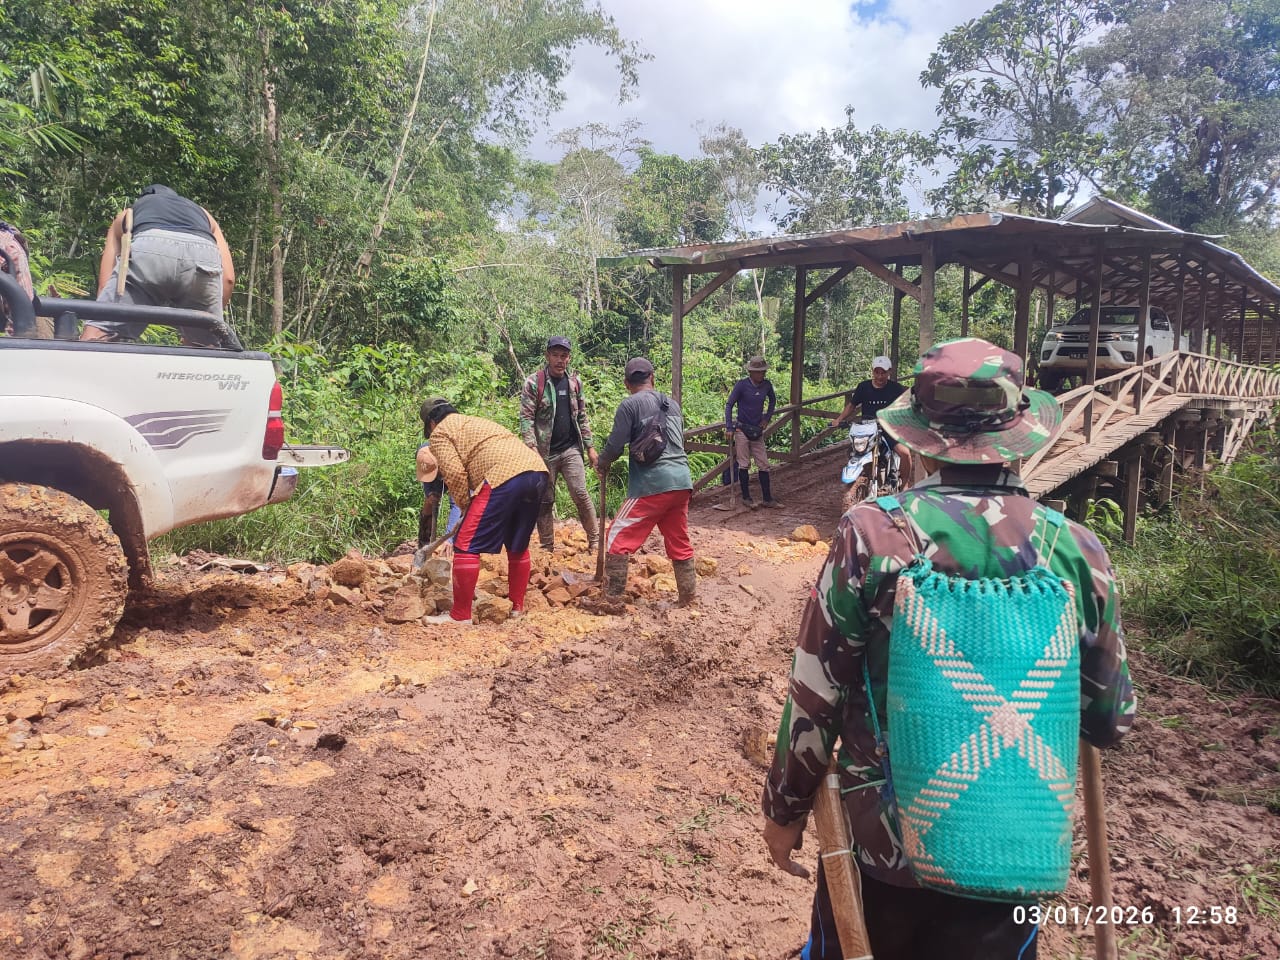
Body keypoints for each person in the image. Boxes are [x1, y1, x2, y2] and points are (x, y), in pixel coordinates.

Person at [762, 338, 1136, 960]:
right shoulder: (1075, 550)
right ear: (1022, 431)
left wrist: (785, 809)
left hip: (884, 848)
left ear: (917, 436)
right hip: (1012, 846)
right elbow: (1111, 721)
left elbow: (815, 693)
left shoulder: (873, 533)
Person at [417, 398, 548, 624]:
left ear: (431, 423)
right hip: (537, 471)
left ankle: (460, 615)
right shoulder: (474, 422)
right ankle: (517, 608)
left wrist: (466, 506)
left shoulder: (440, 434)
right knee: (517, 545)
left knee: (466, 543)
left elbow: (456, 474)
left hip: (502, 475)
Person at [596, 357, 696, 606]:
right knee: (678, 539)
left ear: (626, 383)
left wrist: (602, 463)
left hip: (652, 484)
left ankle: (612, 600)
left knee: (616, 536)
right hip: (682, 481)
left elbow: (615, 446)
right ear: (652, 377)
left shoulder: (629, 406)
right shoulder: (672, 404)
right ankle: (687, 597)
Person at [80, 185, 236, 346]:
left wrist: (104, 323)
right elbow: (229, 279)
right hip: (203, 255)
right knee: (204, 350)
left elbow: (105, 285)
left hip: (149, 246)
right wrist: (204, 323)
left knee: (96, 337)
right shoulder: (204, 215)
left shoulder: (129, 213)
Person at [518, 335, 600, 553]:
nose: (559, 360)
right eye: (555, 355)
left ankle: (595, 540)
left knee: (580, 493)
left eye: (563, 356)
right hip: (544, 453)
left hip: (571, 448)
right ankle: (547, 547)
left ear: (569, 358)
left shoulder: (574, 383)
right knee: (545, 500)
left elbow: (581, 415)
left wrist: (590, 447)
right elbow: (526, 418)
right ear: (547, 356)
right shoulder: (534, 383)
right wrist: (532, 448)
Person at [837, 355, 913, 487]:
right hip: (866, 428)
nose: (879, 376)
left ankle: (905, 484)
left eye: (883, 372)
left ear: (889, 372)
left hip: (888, 428)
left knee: (905, 453)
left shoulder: (895, 388)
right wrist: (838, 420)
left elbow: (909, 398)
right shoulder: (863, 387)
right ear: (872, 371)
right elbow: (851, 405)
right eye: (876, 372)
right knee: (853, 450)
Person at [724, 356, 778, 509]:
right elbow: (729, 404)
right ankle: (746, 497)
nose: (762, 375)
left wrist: (767, 418)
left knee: (764, 464)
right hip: (742, 428)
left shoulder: (767, 385)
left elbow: (772, 401)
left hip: (757, 430)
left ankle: (767, 498)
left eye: (763, 371)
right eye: (759, 372)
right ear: (752, 372)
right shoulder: (742, 385)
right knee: (744, 464)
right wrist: (729, 427)